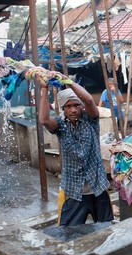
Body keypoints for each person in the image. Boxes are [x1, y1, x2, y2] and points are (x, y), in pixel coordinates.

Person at [36, 71, 113, 226]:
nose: (73, 110)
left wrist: (67, 81)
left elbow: (90, 100)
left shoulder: (91, 120)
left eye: (77, 105)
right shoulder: (60, 125)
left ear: (82, 107)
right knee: (66, 235)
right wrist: (44, 90)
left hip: (98, 188)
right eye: (68, 106)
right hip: (73, 192)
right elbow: (44, 119)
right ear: (63, 109)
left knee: (107, 232)